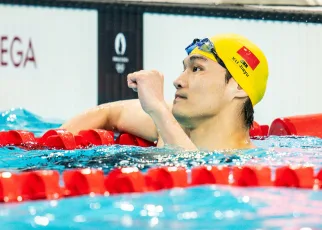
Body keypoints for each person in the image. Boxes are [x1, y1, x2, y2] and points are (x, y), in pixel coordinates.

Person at [61, 33, 269, 151]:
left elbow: (194, 172)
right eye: (184, 68)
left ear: (238, 87)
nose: (178, 81)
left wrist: (158, 110)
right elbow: (109, 113)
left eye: (197, 69)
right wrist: (52, 143)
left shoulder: (246, 169)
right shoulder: (171, 122)